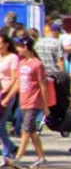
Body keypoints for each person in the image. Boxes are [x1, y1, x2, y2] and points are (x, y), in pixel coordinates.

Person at [2, 36, 49, 169]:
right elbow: (17, 83)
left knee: (25, 130)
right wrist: (7, 98)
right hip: (24, 101)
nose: (17, 49)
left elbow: (43, 85)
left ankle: (18, 158)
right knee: (32, 131)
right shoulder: (21, 63)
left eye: (20, 47)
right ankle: (42, 158)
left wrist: (45, 105)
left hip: (34, 102)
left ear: (26, 47)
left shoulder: (37, 64)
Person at [0, 34, 18, 161]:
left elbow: (14, 78)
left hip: (8, 93)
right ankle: (10, 147)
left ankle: (7, 154)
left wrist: (5, 91)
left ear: (6, 44)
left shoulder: (13, 58)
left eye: (1, 43)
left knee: (1, 124)